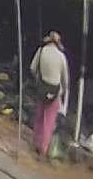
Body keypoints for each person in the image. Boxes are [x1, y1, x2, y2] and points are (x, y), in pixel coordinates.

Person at [30, 31, 70, 159]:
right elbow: (66, 80)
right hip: (54, 92)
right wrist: (62, 91)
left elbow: (32, 68)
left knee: (39, 116)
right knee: (49, 121)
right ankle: (43, 148)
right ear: (58, 43)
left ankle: (35, 142)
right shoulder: (61, 57)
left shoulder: (41, 51)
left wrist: (38, 78)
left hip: (42, 88)